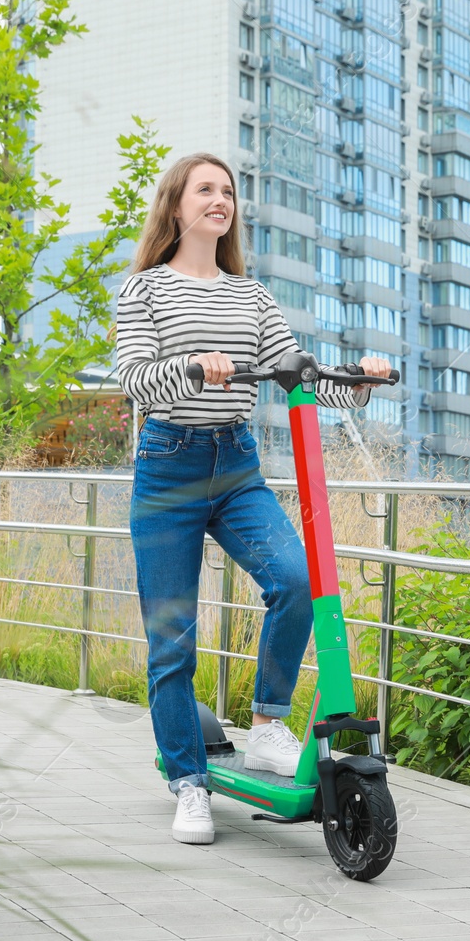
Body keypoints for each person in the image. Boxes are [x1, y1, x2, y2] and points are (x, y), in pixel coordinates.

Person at [114, 153, 393, 845]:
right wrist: (189, 366)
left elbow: (296, 373)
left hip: (235, 465)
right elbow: (133, 380)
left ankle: (267, 723)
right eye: (206, 189)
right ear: (176, 206)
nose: (221, 199)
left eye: (229, 191)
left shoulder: (252, 296)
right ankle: (189, 783)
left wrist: (355, 378)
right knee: (172, 643)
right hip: (168, 466)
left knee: (298, 581)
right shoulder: (143, 290)